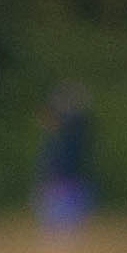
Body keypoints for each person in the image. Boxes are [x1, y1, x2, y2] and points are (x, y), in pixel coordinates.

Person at [37, 86, 97, 236]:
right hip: (62, 179)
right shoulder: (63, 136)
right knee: (60, 223)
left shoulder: (71, 131)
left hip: (67, 179)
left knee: (66, 223)